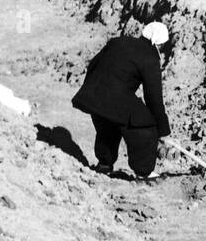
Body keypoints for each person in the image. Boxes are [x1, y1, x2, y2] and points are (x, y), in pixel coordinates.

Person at [70, 21, 171, 179]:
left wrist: (92, 89)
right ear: (159, 44)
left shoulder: (118, 41)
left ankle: (104, 163)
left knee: (108, 123)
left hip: (94, 96)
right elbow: (153, 98)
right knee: (145, 126)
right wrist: (162, 130)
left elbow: (93, 65)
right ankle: (144, 172)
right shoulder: (150, 58)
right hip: (113, 96)